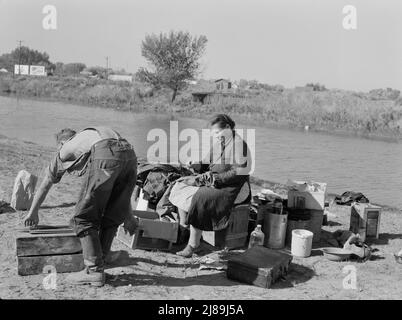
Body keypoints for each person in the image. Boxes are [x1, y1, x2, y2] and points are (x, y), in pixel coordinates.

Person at [23, 126, 137, 287]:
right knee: (111, 214)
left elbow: (45, 184)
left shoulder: (65, 148)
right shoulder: (89, 137)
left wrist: (33, 213)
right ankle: (102, 260)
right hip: (130, 154)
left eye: (58, 148)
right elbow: (119, 197)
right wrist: (129, 216)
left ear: (62, 143)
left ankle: (94, 271)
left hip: (106, 153)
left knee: (82, 218)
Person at [169, 114, 252, 257]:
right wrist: (197, 164)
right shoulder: (221, 143)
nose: (216, 136)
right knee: (180, 184)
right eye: (214, 134)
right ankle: (184, 229)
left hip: (234, 187)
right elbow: (208, 163)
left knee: (201, 197)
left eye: (218, 132)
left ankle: (193, 245)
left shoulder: (239, 144)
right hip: (215, 181)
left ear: (227, 127)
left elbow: (240, 172)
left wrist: (214, 179)